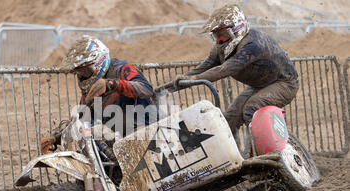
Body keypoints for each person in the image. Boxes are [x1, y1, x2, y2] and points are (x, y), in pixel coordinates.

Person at [173, 4, 299, 138]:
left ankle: (264, 151)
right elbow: (207, 65)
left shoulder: (252, 45)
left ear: (238, 29)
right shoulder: (220, 48)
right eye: (216, 36)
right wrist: (184, 78)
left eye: (223, 35)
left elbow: (224, 69)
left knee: (251, 108)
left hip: (285, 83)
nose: (220, 40)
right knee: (230, 119)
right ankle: (233, 156)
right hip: (260, 85)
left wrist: (194, 79)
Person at [40, 35, 156, 153]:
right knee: (90, 135)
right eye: (79, 72)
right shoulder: (90, 92)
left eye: (85, 70)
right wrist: (56, 138)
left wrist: (113, 84)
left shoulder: (121, 69)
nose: (83, 75)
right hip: (118, 141)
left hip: (147, 130)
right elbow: (80, 121)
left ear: (99, 62)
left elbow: (146, 89)